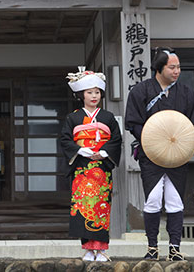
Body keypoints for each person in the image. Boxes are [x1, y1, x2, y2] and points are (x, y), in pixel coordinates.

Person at [125, 48, 194, 261]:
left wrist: (183, 144)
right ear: (159, 68)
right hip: (151, 155)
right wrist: (153, 140)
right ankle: (152, 246)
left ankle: (174, 247)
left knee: (175, 201)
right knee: (152, 200)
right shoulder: (141, 91)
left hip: (177, 156)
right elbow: (134, 122)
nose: (177, 71)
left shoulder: (186, 93)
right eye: (172, 67)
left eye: (178, 67)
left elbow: (193, 125)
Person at [60, 69, 122, 262]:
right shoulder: (73, 118)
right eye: (89, 92)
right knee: (83, 207)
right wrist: (82, 151)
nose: (94, 96)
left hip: (102, 169)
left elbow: (116, 139)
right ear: (81, 95)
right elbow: (65, 139)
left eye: (97, 92)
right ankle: (87, 248)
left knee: (101, 208)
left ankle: (102, 248)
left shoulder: (108, 117)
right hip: (82, 168)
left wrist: (103, 152)